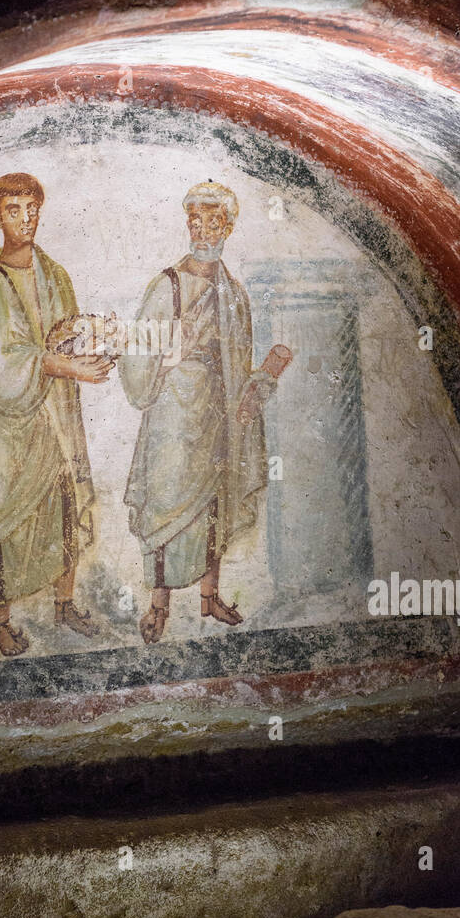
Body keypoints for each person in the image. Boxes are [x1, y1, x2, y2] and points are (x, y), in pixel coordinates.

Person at [0, 173, 113, 657]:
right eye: (14, 209)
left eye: (32, 207)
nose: (25, 218)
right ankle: (0, 622)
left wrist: (92, 343)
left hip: (49, 419)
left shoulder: (54, 274)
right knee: (0, 522)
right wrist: (63, 363)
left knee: (62, 507)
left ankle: (64, 603)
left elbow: (62, 336)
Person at [119, 181, 291, 644]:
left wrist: (260, 381)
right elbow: (137, 357)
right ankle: (159, 606)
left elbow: (237, 367)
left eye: (212, 220)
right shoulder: (167, 286)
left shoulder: (234, 293)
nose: (201, 228)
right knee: (165, 505)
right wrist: (169, 358)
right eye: (194, 219)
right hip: (173, 414)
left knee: (215, 501)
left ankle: (209, 596)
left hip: (217, 414)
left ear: (228, 226)